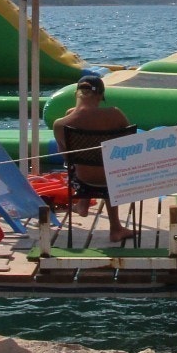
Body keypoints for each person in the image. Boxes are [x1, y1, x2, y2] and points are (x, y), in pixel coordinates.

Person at [51, 75, 136, 243]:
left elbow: (66, 158)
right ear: (99, 96)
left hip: (82, 180)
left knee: (82, 163)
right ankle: (115, 228)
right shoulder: (115, 114)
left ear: (76, 94)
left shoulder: (60, 124)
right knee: (109, 166)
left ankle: (83, 203)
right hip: (115, 179)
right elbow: (130, 145)